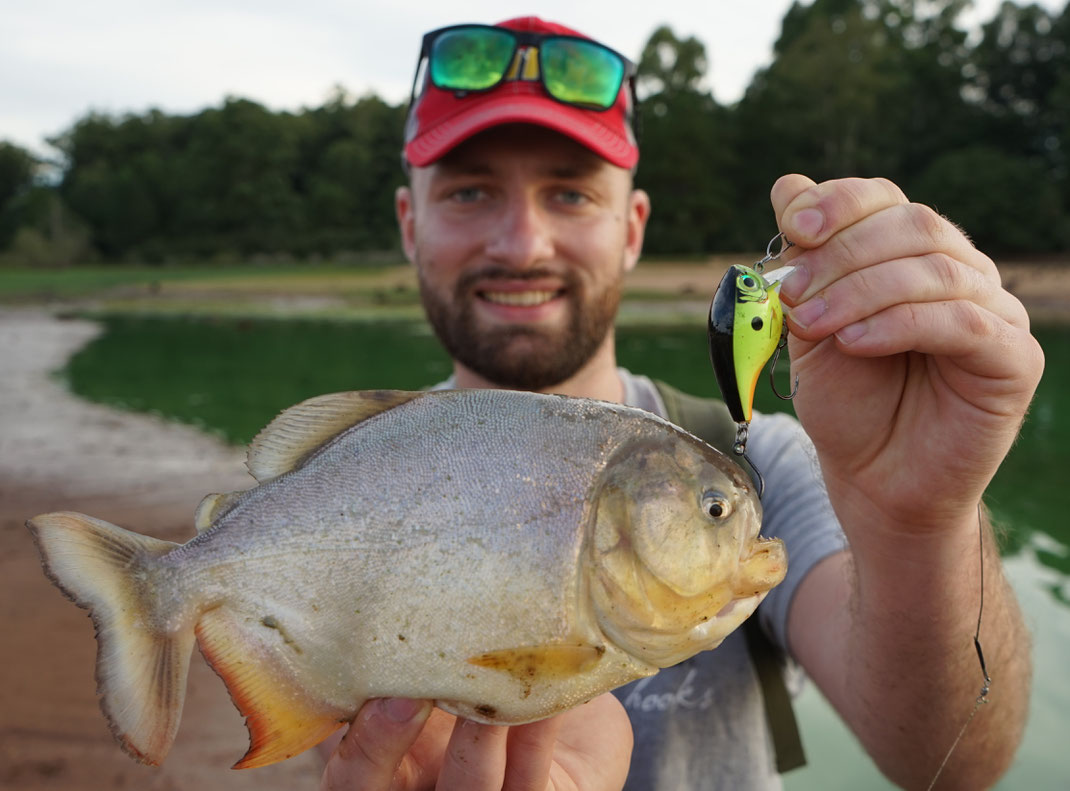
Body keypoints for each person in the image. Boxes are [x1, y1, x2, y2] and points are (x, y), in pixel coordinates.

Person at [318, 15, 1042, 791]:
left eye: (569, 192)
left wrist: (922, 520)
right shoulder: (347, 477)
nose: (523, 243)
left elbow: (955, 764)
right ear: (409, 223)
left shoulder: (761, 458)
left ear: (632, 230)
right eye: (469, 191)